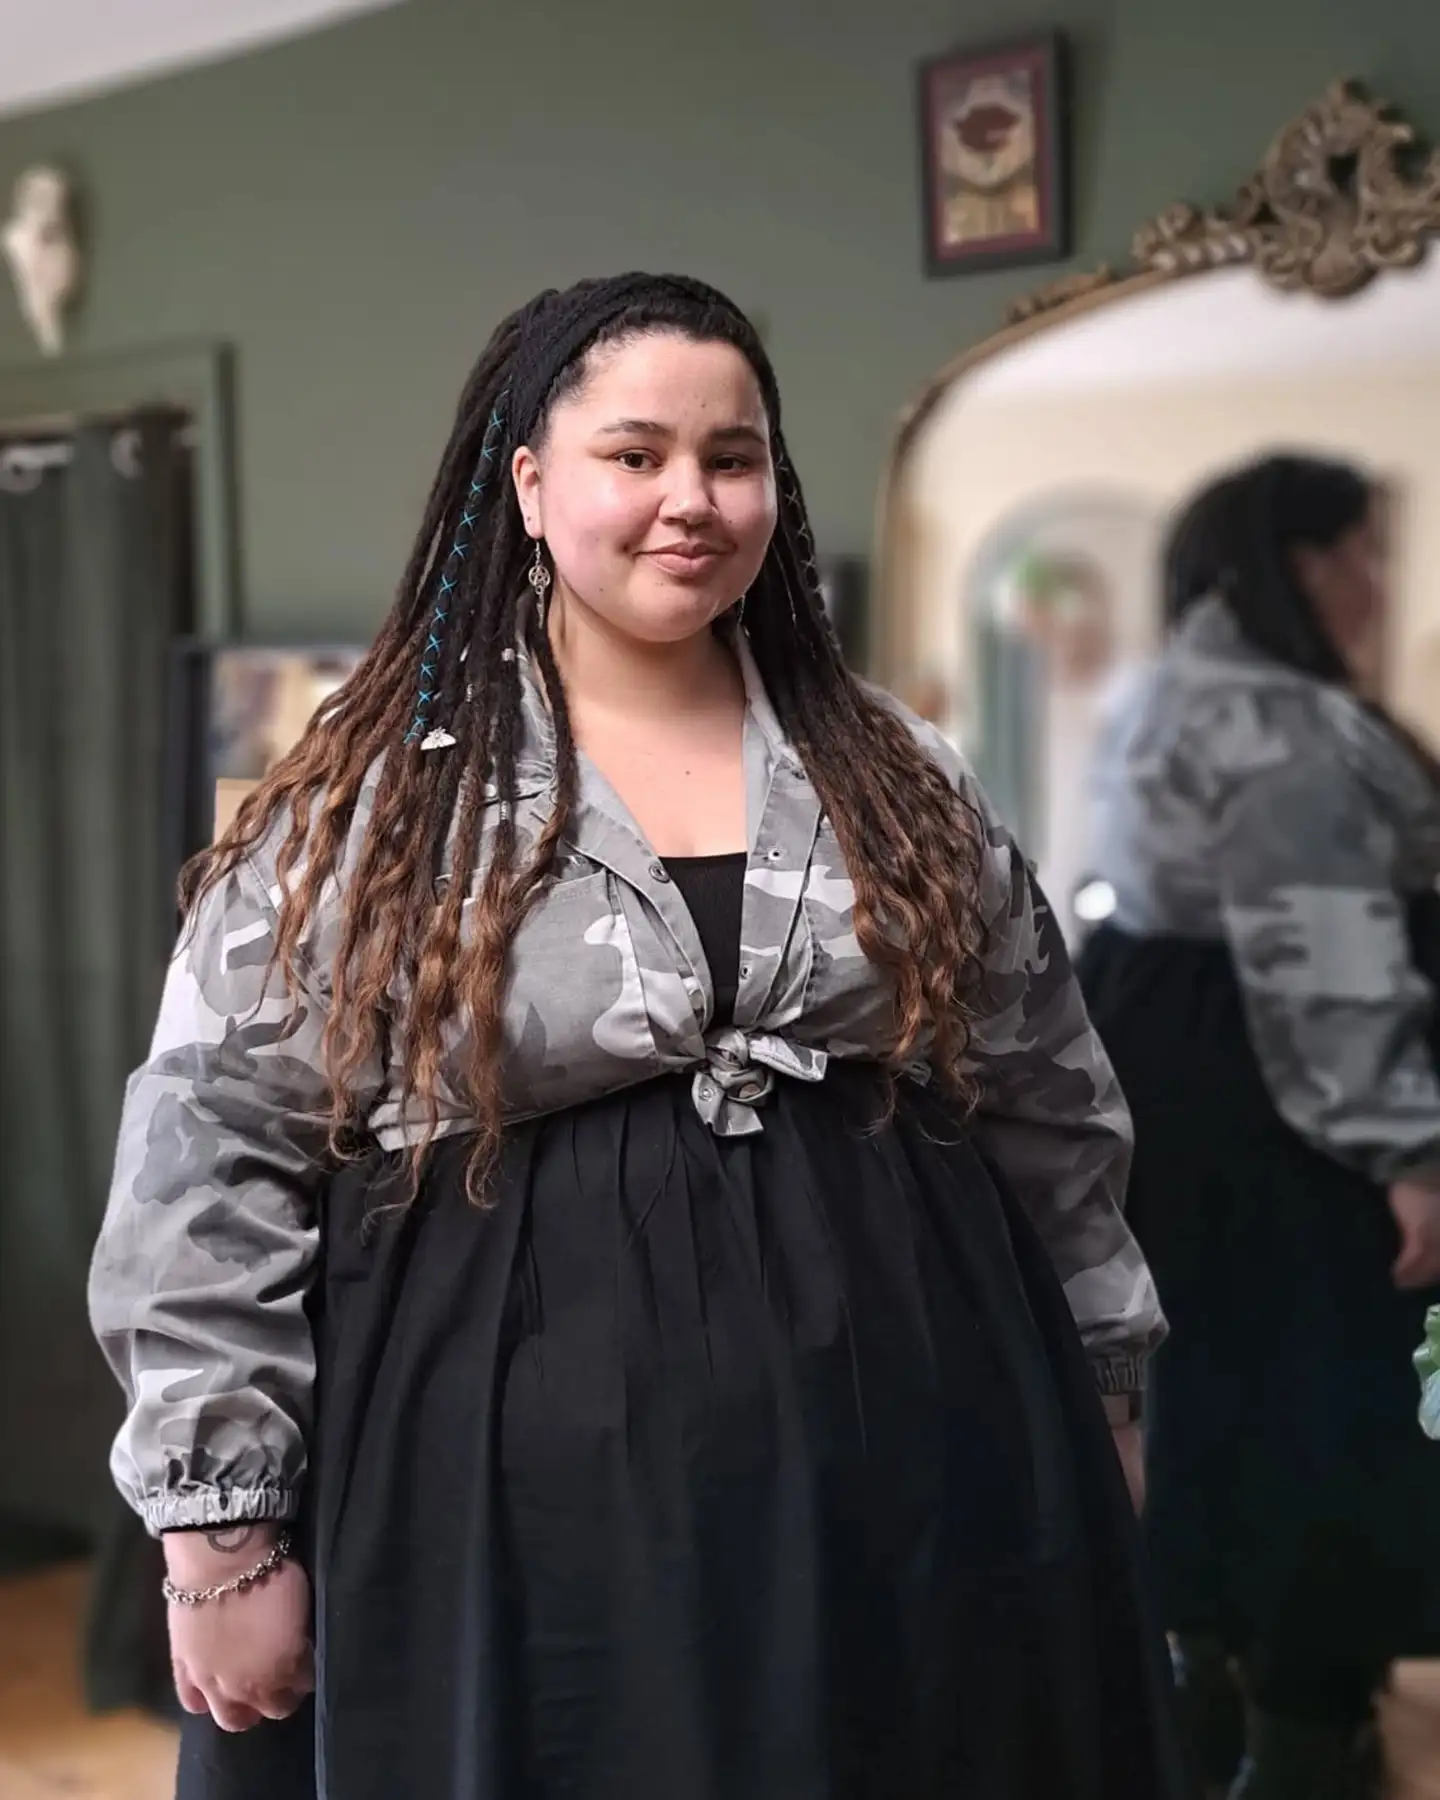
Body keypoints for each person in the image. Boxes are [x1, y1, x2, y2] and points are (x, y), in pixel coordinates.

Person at [89, 272, 1180, 1800]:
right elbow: (212, 1145)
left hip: (915, 1487)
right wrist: (221, 1531)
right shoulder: (376, 803)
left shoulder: (898, 771)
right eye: (636, 454)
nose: (691, 499)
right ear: (532, 484)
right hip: (501, 1518)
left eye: (732, 458)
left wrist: (1104, 1389)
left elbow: (1047, 1100)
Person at [1077, 452, 1440, 1800]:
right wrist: (1407, 1151)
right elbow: (1325, 959)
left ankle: (1216, 1698)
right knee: (1328, 1404)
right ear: (1297, 563)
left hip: (1190, 1086)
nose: (1378, 584)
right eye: (1362, 553)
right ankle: (1302, 1737)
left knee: (1220, 1395)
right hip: (1287, 1108)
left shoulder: (1158, 694)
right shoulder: (1281, 723)